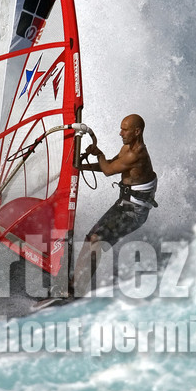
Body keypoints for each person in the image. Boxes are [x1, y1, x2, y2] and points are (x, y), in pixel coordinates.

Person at [69, 114, 157, 296]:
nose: (120, 133)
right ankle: (74, 285)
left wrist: (99, 153)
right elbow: (110, 165)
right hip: (124, 204)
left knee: (96, 240)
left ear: (137, 131)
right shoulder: (127, 148)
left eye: (124, 129)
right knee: (91, 238)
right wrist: (79, 166)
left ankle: (75, 291)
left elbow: (108, 171)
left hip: (134, 212)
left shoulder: (136, 154)